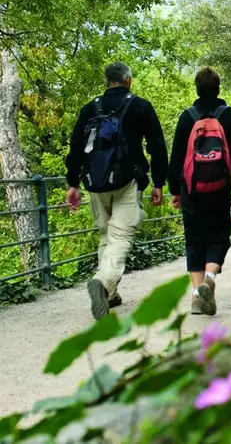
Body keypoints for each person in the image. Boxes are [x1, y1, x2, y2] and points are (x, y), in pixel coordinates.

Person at [65, 62, 168, 320]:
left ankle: (110, 295)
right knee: (121, 236)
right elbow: (157, 145)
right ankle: (102, 281)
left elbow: (76, 145)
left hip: (95, 182)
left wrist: (73, 183)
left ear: (107, 81)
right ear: (128, 81)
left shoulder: (91, 107)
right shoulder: (140, 106)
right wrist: (158, 182)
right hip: (127, 181)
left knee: (106, 235)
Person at [168, 67, 231, 316]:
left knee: (194, 240)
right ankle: (209, 280)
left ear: (196, 89)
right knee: (219, 236)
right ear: (218, 88)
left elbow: (177, 156)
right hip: (219, 187)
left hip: (191, 188)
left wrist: (175, 189)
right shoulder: (228, 115)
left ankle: (195, 298)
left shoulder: (187, 117)